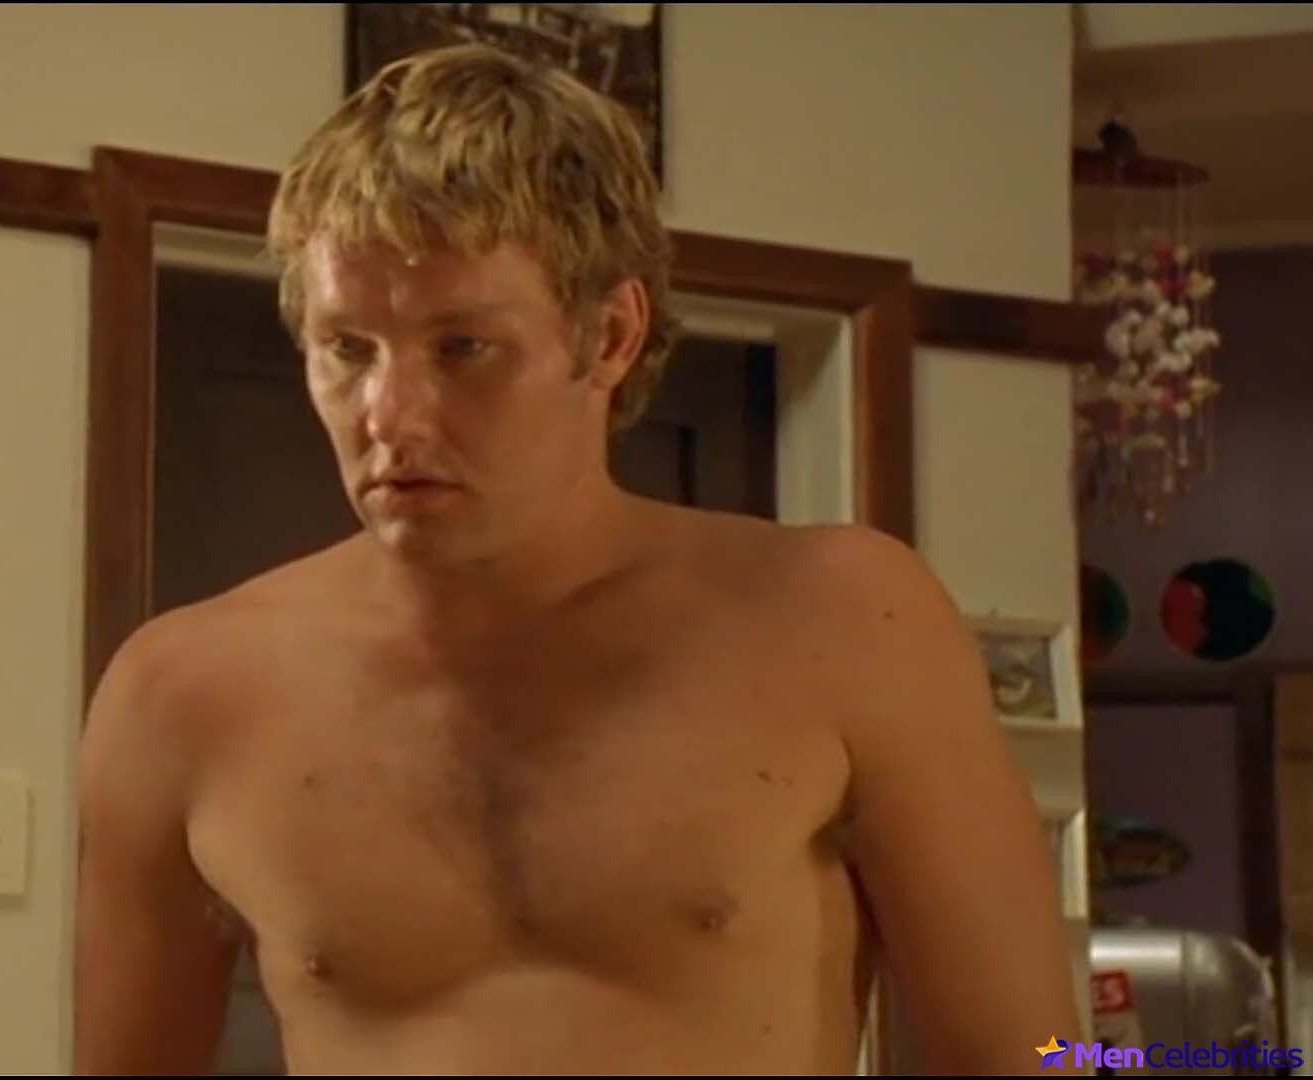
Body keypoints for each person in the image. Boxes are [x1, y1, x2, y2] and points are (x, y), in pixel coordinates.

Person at [75, 43, 1079, 1075]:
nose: (390, 415)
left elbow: (1046, 1058)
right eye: (348, 349)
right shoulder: (179, 696)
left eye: (462, 347)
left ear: (608, 336)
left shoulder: (844, 619)